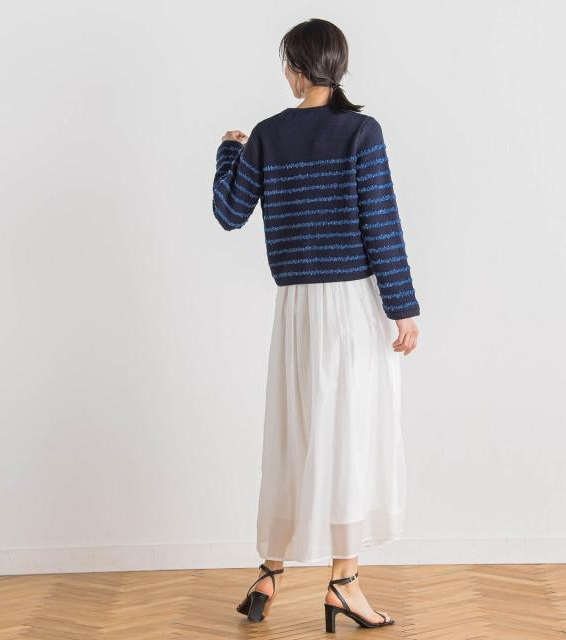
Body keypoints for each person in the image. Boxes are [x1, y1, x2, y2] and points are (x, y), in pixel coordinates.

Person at [212, 18, 420, 632]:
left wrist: (229, 151)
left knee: (295, 436)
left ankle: (269, 574)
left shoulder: (268, 135)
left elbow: (229, 212)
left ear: (295, 68)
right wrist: (402, 306)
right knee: (349, 438)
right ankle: (343, 584)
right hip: (351, 308)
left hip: (296, 312)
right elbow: (381, 223)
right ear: (338, 66)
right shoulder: (361, 132)